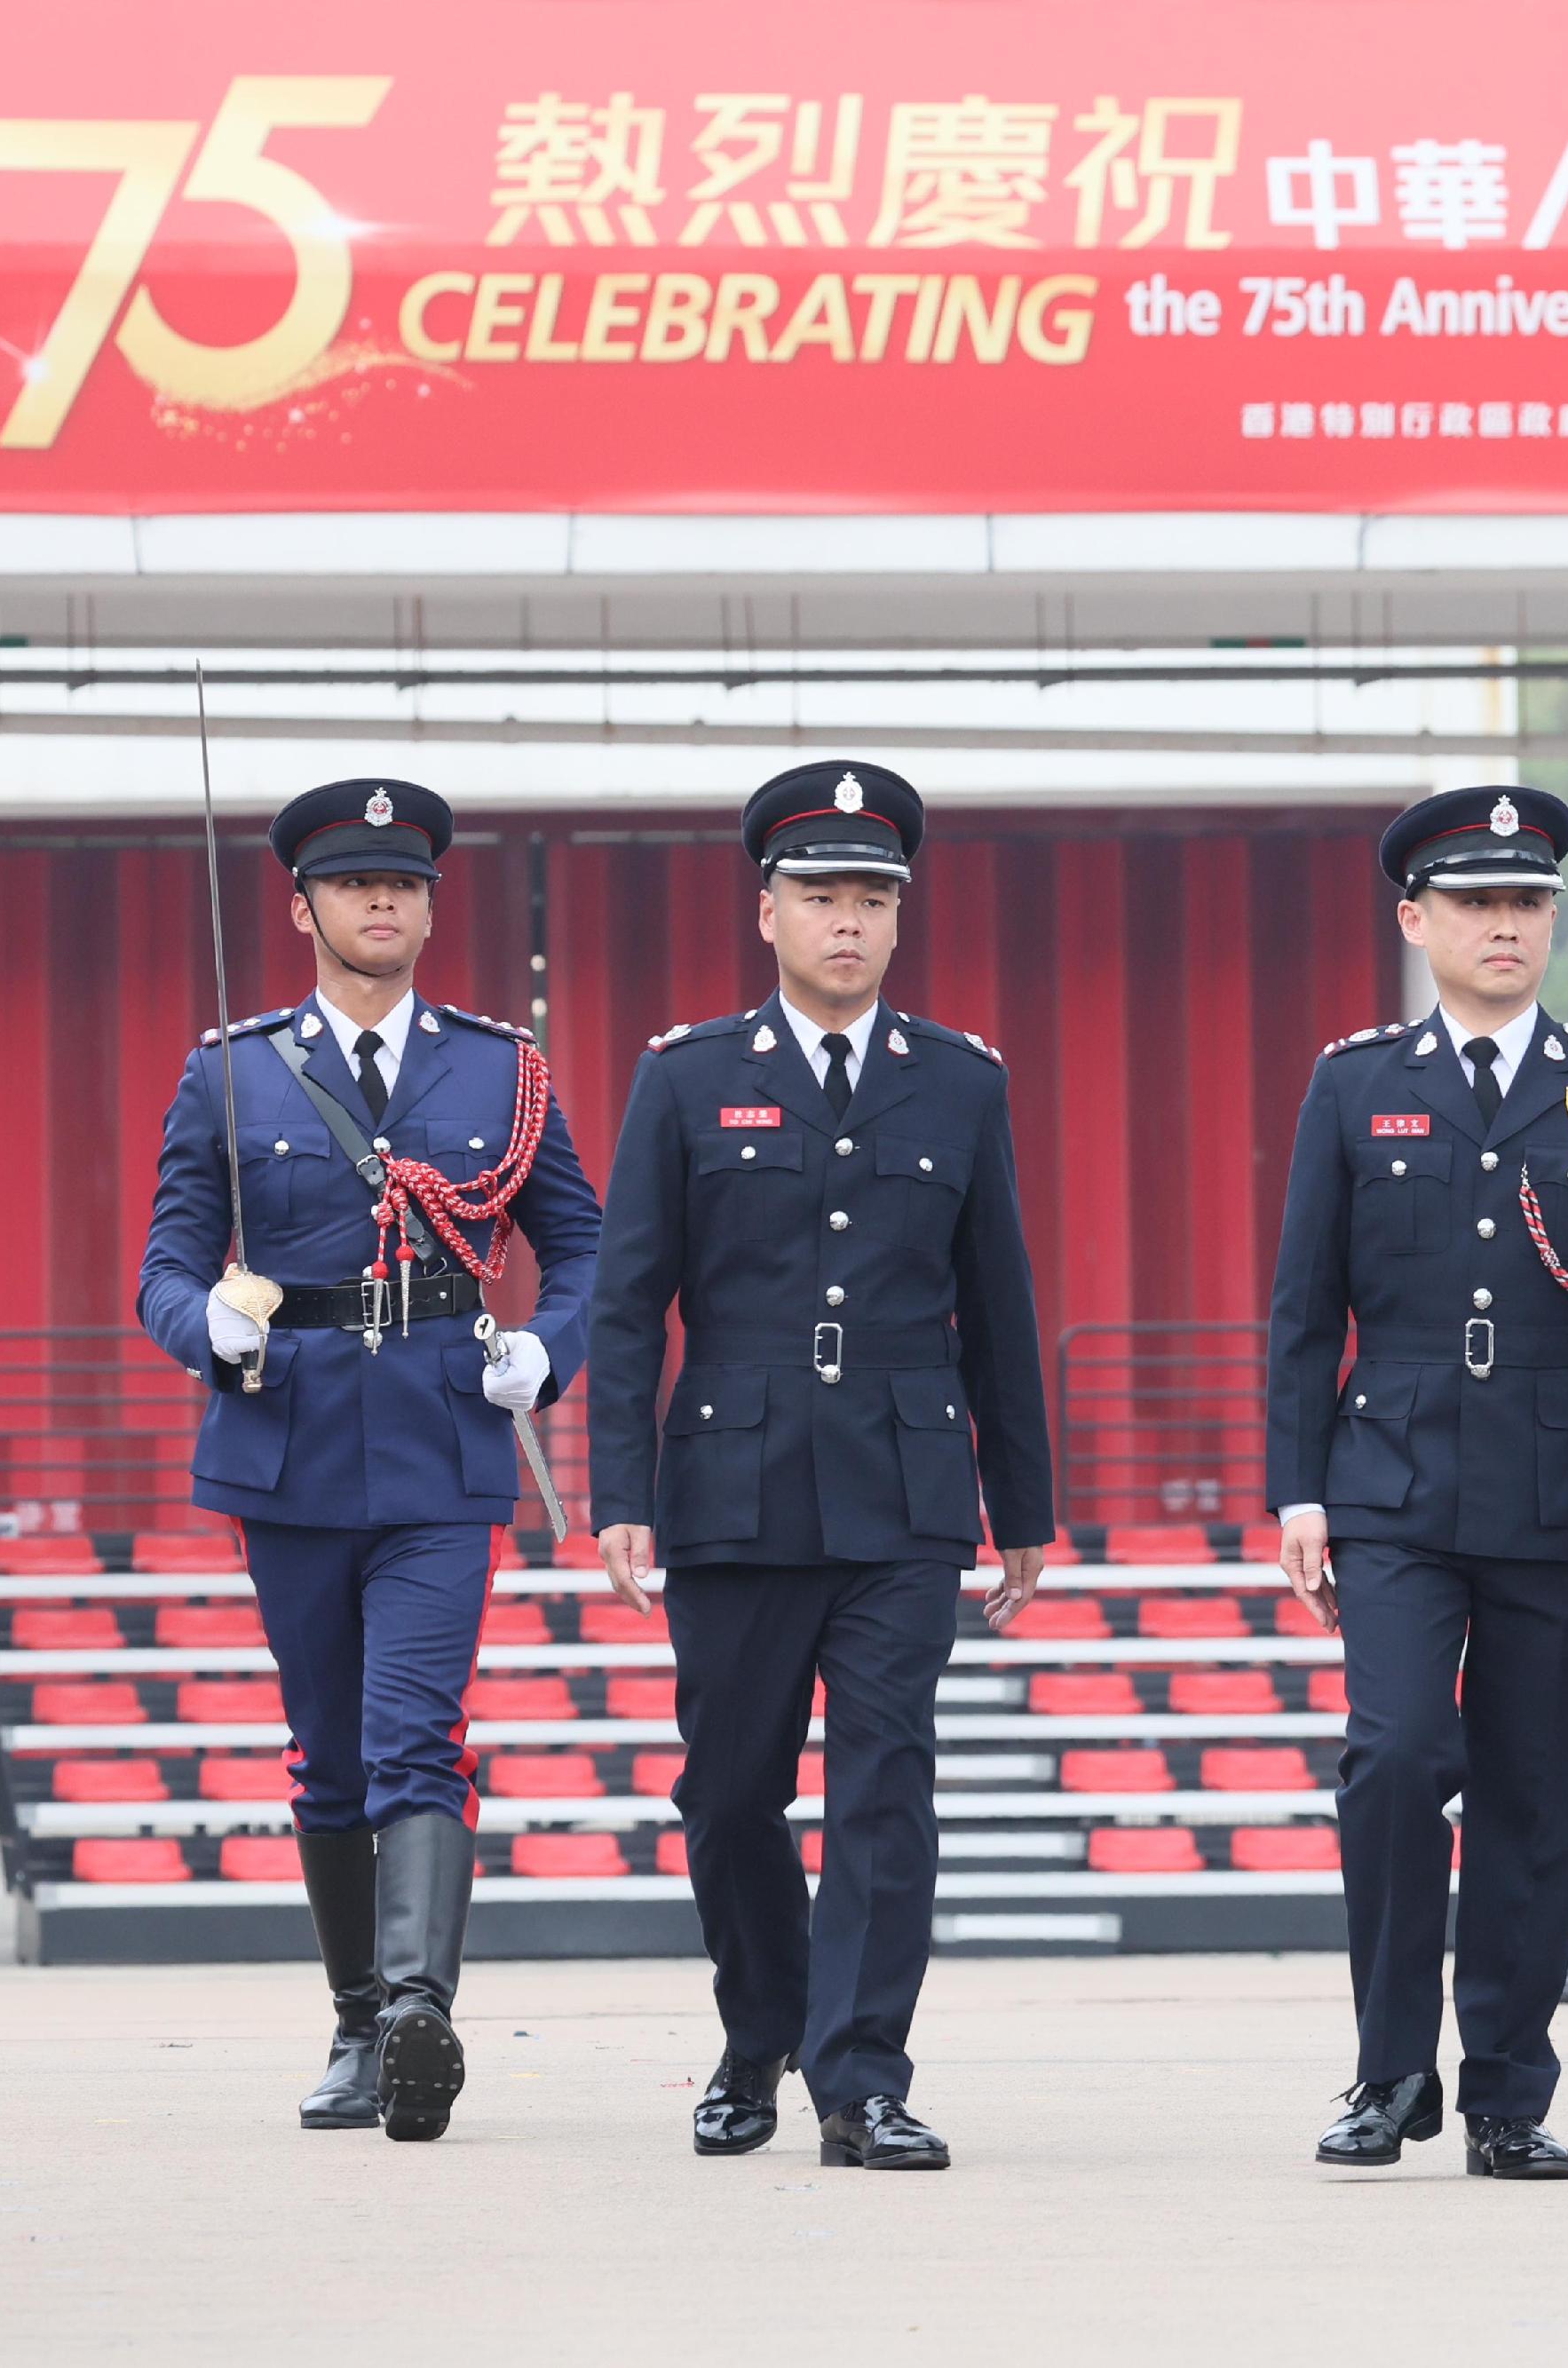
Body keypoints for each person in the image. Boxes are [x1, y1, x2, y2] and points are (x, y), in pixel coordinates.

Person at [588, 762, 1052, 2173]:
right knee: (729, 1791)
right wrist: (617, 1490)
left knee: (885, 1782)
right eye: (821, 896)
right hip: (730, 1490)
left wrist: (1021, 1502)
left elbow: (1002, 1304)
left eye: (872, 898)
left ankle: (862, 2077)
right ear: (768, 911)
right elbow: (626, 1301)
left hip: (904, 1493)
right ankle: (759, 2032)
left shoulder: (962, 1083)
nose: (847, 921)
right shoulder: (686, 1077)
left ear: (899, 920)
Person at [138, 776, 602, 2142]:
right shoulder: (229, 1068)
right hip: (283, 1442)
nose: (382, 901)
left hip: (444, 1441)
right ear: (303, 906)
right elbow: (166, 1259)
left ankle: (418, 2012)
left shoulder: (499, 1067)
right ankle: (356, 2018)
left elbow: (579, 1242)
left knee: (416, 1731)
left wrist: (549, 1349)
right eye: (352, 883)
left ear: (429, 906)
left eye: (403, 882)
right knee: (326, 1751)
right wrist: (205, 1327)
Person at [1266, 784, 1568, 2182]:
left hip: (1558, 1479)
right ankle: (1390, 2069)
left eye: (1526, 903)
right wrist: (1297, 1486)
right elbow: (1302, 1307)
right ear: (1417, 919)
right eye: (1474, 902)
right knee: (1394, 1759)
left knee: (1535, 1788)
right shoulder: (1357, 1081)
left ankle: (1509, 2086)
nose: (1504, 924)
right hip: (1389, 1473)